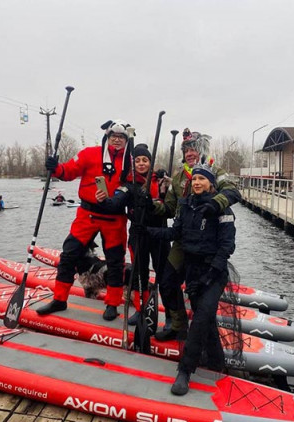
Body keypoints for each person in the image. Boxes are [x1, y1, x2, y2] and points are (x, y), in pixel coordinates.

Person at [148, 163, 239, 395]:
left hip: (214, 274)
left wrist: (211, 274)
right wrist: (147, 231)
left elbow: (227, 246)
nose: (197, 182)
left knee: (200, 318)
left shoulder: (223, 209)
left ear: (211, 183)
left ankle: (185, 371)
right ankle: (217, 362)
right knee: (206, 321)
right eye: (195, 179)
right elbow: (174, 234)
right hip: (193, 271)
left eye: (202, 179)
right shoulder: (185, 205)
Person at [36, 119, 133, 321]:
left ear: (126, 140)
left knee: (115, 262)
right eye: (113, 137)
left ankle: (113, 303)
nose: (116, 140)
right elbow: (68, 171)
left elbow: (138, 186)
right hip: (87, 215)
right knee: (69, 254)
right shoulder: (90, 153)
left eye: (121, 138)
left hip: (114, 218)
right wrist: (55, 168)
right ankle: (60, 299)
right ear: (107, 137)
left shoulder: (131, 161)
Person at [150, 129, 242, 341]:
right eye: (186, 150)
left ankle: (203, 328)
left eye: (193, 149)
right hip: (182, 240)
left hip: (207, 242)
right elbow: (170, 209)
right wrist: (152, 204)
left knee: (200, 290)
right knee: (167, 281)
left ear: (201, 150)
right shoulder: (178, 177)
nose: (189, 153)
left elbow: (233, 192)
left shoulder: (214, 171)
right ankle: (177, 324)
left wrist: (214, 204)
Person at [96, 143, 170, 325]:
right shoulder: (128, 185)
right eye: (137, 161)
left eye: (145, 160)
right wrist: (103, 200)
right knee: (139, 274)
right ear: (133, 164)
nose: (142, 164)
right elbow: (115, 203)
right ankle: (141, 309)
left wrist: (165, 189)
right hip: (139, 235)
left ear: (150, 162)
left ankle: (170, 314)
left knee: (165, 275)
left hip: (160, 234)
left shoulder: (161, 181)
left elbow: (171, 208)